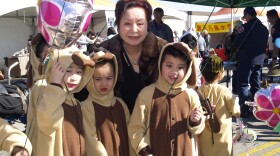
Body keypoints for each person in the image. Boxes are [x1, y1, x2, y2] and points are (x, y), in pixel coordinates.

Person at [128, 42, 205, 156]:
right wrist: (144, 150)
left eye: (180, 67)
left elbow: (198, 129)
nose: (174, 72)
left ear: (187, 69)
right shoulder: (146, 94)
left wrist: (196, 121)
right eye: (169, 65)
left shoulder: (191, 95)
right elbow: (135, 128)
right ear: (160, 65)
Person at [99, 0, 168, 113]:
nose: (134, 30)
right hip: (115, 124)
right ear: (118, 24)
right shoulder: (104, 51)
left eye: (140, 23)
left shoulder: (162, 50)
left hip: (154, 123)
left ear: (148, 24)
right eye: (127, 23)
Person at [34, 51, 93, 156]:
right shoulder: (48, 98)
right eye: (68, 70)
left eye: (79, 72)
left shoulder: (76, 103)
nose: (73, 77)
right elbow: (47, 122)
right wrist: (55, 85)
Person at [80, 51, 132, 156]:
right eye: (98, 79)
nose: (104, 83)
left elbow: (130, 132)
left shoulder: (120, 104)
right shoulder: (86, 106)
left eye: (109, 78)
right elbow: (91, 139)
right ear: (89, 78)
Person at [197, 55, 240, 156]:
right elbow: (236, 110)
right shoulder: (225, 92)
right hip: (222, 138)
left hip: (203, 139)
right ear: (220, 74)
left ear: (202, 74)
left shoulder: (198, 91)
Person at [234, 7, 268, 118]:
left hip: (246, 59)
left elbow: (237, 44)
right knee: (256, 84)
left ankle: (244, 109)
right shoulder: (264, 28)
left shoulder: (244, 27)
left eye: (245, 17)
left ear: (248, 15)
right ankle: (257, 108)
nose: (245, 19)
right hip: (259, 60)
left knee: (243, 84)